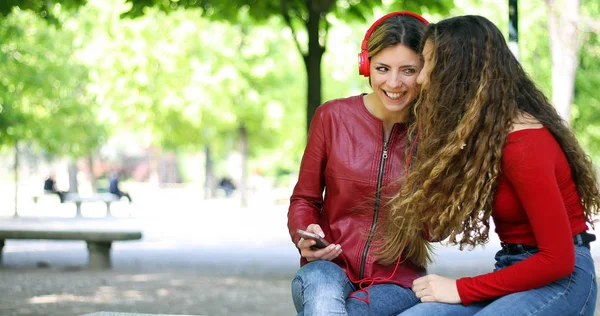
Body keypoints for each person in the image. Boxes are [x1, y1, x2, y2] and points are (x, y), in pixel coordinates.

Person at [374, 15, 599, 316]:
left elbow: (558, 259)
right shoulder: (483, 136)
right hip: (513, 268)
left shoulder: (524, 146)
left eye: (429, 64)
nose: (420, 78)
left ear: (458, 72)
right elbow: (432, 229)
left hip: (562, 279)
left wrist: (460, 289)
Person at [287, 11, 430, 316]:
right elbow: (304, 199)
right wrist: (305, 234)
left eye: (408, 70)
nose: (394, 82)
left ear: (426, 72)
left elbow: (434, 231)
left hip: (398, 282)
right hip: (326, 269)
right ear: (365, 66)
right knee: (324, 296)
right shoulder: (332, 118)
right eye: (382, 68)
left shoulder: (434, 136)